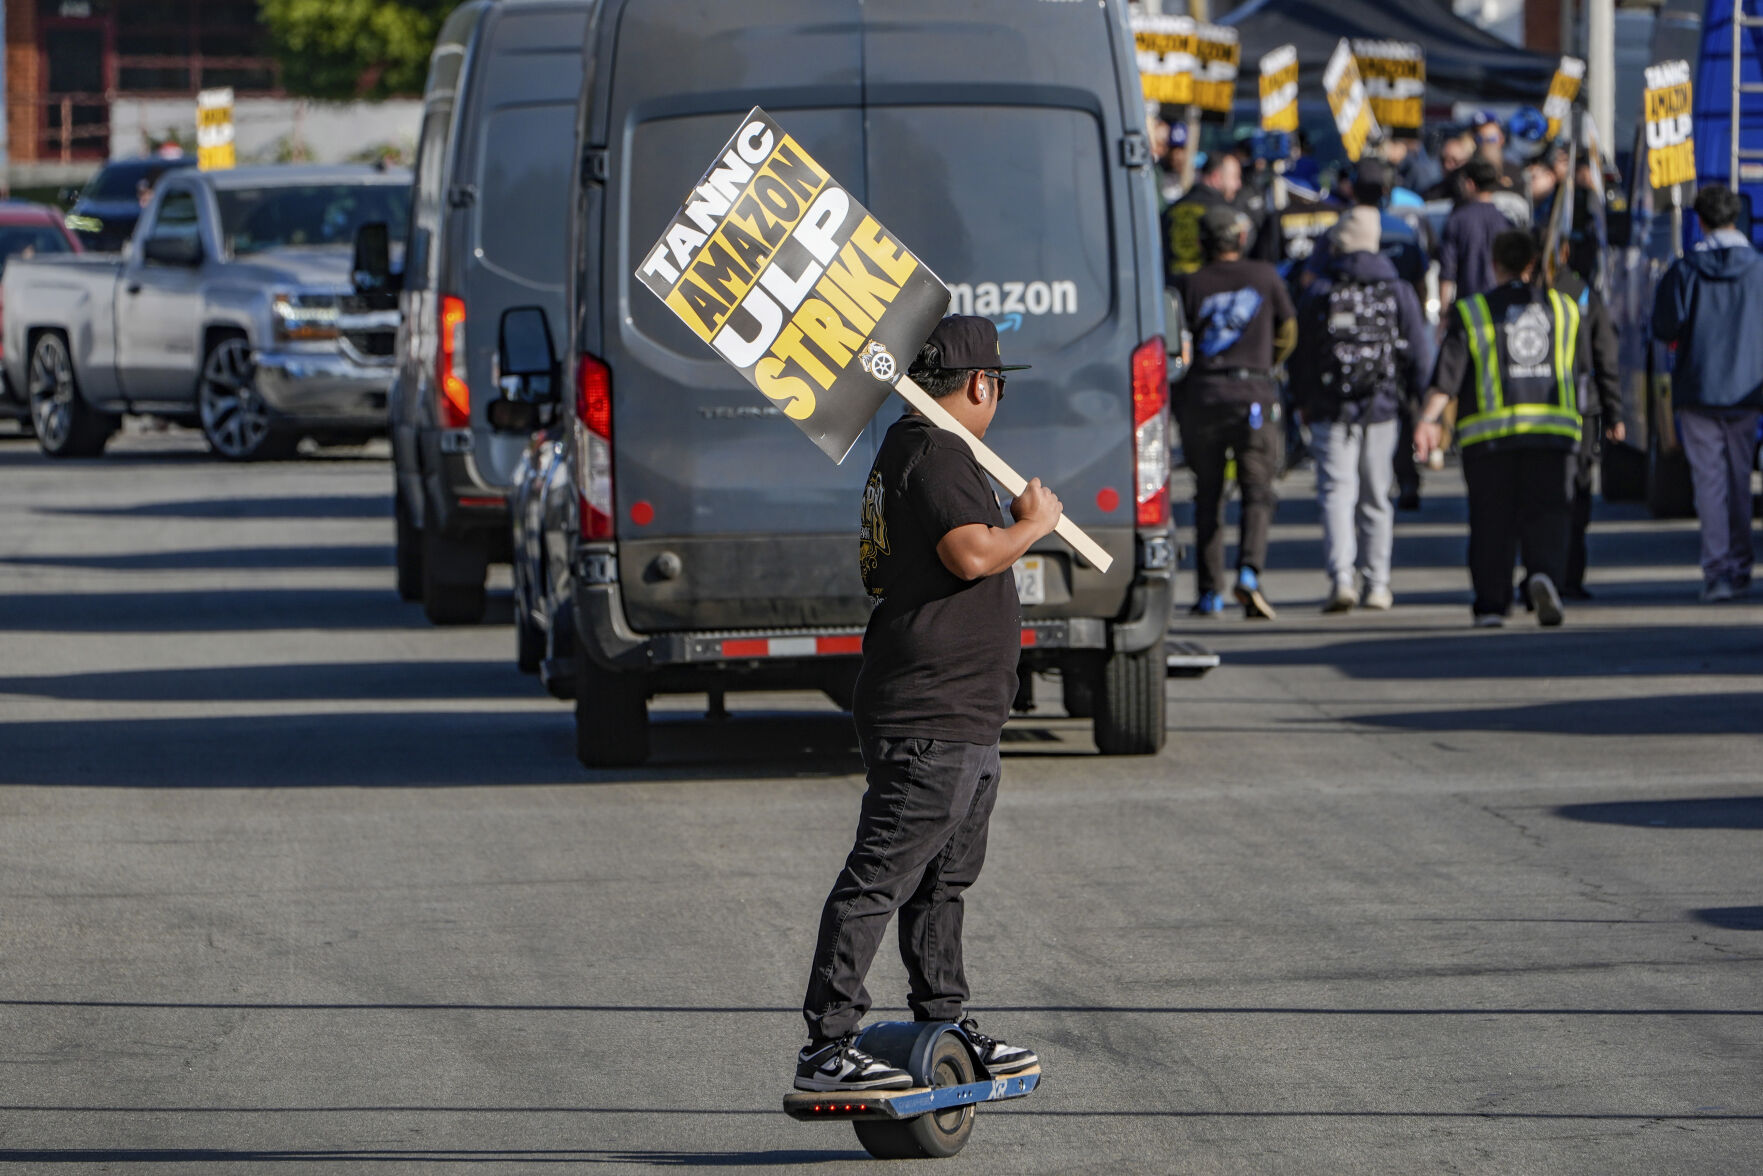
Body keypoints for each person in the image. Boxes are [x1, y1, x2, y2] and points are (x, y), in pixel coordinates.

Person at [797, 315, 1048, 1092]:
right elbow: (969, 554)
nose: (997, 394)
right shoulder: (931, 449)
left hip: (964, 710)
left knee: (943, 881)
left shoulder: (933, 449)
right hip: (928, 711)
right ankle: (829, 1046)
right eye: (997, 382)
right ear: (979, 384)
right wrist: (1032, 526)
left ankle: (942, 1018)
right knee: (882, 875)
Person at [1416, 230, 1589, 627]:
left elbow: (1448, 377)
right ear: (1534, 263)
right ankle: (1544, 574)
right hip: (1553, 432)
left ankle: (1492, 604)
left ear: (1494, 264)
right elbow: (1583, 361)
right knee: (1548, 512)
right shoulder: (1564, 308)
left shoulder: (1473, 310)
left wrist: (1427, 421)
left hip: (1489, 439)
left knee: (1491, 521)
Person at [1293, 207, 1432, 612]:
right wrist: (1423, 407)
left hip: (1330, 405)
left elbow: (1301, 355)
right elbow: (1419, 354)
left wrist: (1301, 400)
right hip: (1382, 406)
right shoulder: (1398, 290)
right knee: (1376, 495)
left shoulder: (1320, 291)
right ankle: (1378, 583)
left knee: (1336, 492)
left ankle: (1341, 577)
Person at [1172, 204, 1297, 619]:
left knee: (1208, 495)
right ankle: (1249, 572)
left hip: (1203, 396)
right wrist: (1266, 360)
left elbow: (1178, 343)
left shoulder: (1189, 285)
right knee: (1257, 491)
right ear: (1240, 240)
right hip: (1254, 395)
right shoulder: (1265, 276)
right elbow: (1288, 330)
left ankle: (1210, 591)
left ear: (1204, 243)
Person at [1651, 184, 1763, 602]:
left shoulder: (1685, 270)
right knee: (1738, 479)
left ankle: (1717, 570)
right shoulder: (1758, 269)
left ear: (1700, 220)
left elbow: (1664, 327)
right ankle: (1741, 564)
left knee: (1709, 483)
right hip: (1747, 392)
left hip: (1698, 387)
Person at [1438, 158, 1515, 312]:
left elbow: (1447, 273)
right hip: (1500, 307)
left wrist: (1444, 313)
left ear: (1470, 184)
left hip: (1468, 308)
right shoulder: (1506, 222)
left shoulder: (1457, 220)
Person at [1165, 151, 1243, 281]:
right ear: (1216, 176)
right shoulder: (1224, 212)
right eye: (1235, 177)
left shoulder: (1173, 209)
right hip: (1209, 285)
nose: (1238, 184)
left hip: (1174, 286)